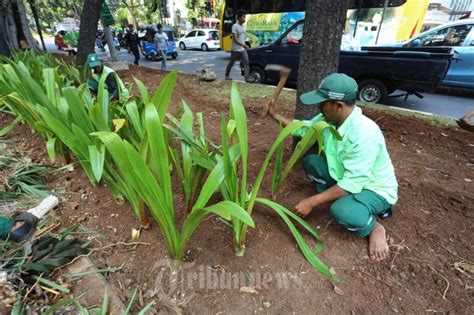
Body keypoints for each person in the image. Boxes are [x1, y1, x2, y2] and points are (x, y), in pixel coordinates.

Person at [264, 73, 398, 261]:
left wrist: (311, 202)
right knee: (312, 162)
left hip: (374, 188)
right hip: (345, 177)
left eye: (322, 103)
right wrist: (274, 115)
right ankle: (334, 198)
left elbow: (352, 183)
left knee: (343, 212)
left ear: (338, 106)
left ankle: (373, 226)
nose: (319, 107)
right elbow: (303, 129)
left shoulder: (364, 134)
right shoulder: (329, 119)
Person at [225, 9, 251, 82]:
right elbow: (235, 39)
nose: (244, 19)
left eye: (245, 17)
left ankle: (247, 78)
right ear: (239, 18)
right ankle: (227, 76)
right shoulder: (235, 26)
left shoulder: (243, 26)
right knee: (231, 63)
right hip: (235, 49)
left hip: (242, 49)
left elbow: (242, 38)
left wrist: (245, 44)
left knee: (246, 63)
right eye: (243, 17)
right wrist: (244, 45)